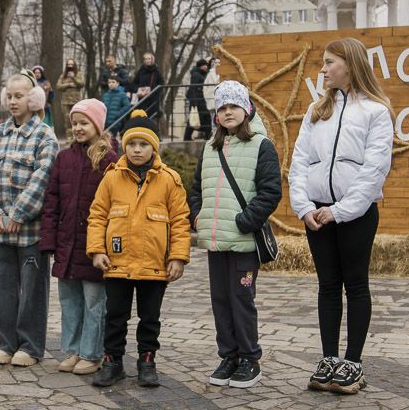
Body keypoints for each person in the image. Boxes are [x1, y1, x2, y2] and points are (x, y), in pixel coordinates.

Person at [287, 39, 395, 395]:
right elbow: (300, 161)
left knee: (356, 284)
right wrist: (304, 207)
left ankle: (353, 361)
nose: (323, 69)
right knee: (327, 286)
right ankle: (329, 358)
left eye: (329, 62)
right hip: (317, 213)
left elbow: (374, 169)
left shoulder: (376, 111)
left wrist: (341, 210)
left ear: (349, 64)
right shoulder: (317, 111)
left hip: (355, 215)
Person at [86, 110, 190, 387]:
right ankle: (112, 361)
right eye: (132, 144)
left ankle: (147, 360)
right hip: (117, 264)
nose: (137, 149)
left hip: (154, 265)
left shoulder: (169, 180)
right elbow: (97, 215)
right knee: (116, 316)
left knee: (150, 317)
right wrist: (97, 250)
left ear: (153, 147)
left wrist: (178, 257)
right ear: (124, 146)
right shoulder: (112, 178)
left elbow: (180, 220)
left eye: (143, 144)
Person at [188, 82, 282, 389]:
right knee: (221, 300)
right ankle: (228, 355)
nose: (228, 112)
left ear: (246, 109)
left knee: (242, 299)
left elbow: (270, 192)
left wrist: (246, 220)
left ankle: (249, 358)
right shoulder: (210, 147)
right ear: (216, 114)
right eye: (223, 108)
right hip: (216, 241)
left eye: (234, 106)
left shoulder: (261, 145)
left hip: (243, 241)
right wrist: (197, 215)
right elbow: (196, 189)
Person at [0, 71, 58, 366]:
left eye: (19, 96)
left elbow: (43, 177)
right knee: (3, 290)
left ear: (33, 99)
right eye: (9, 96)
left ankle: (30, 346)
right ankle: (6, 342)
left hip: (29, 232)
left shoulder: (44, 136)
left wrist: (18, 214)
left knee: (32, 293)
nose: (13, 101)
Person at [39, 98, 117, 376]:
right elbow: (52, 201)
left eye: (84, 123)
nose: (79, 128)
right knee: (69, 301)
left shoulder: (109, 160)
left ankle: (92, 352)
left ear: (97, 125)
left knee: (95, 302)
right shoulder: (64, 158)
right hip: (67, 244)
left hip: (94, 245)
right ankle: (71, 350)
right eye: (75, 124)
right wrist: (49, 240)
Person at [183, 59, 211, 140]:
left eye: (206, 65)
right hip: (198, 101)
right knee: (197, 118)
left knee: (199, 119)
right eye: (204, 65)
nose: (206, 67)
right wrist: (194, 102)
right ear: (200, 66)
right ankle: (207, 137)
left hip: (200, 101)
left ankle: (206, 137)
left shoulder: (200, 74)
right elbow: (193, 88)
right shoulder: (196, 75)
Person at [133, 52, 163, 117]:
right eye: (146, 59)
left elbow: (161, 83)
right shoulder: (141, 71)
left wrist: (153, 90)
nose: (147, 60)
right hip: (142, 98)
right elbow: (135, 82)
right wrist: (138, 90)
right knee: (142, 116)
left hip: (152, 98)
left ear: (152, 60)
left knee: (151, 116)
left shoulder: (156, 71)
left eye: (149, 59)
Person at [56, 61, 84, 127]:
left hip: (76, 101)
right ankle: (69, 137)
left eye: (71, 64)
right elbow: (58, 86)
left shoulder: (78, 74)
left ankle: (76, 136)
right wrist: (68, 85)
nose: (70, 66)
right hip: (65, 102)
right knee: (67, 120)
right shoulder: (63, 75)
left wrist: (73, 78)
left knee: (76, 119)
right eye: (68, 64)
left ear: (74, 65)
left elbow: (82, 84)